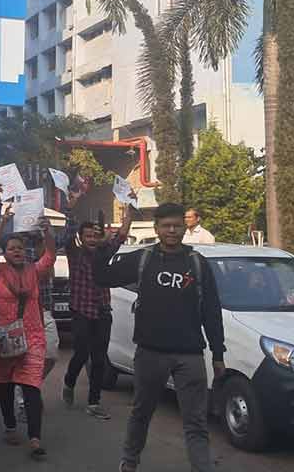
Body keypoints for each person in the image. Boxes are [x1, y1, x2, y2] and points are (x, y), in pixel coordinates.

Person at [94, 202, 226, 472]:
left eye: (177, 225)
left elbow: (212, 311)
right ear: (157, 229)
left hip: (189, 355)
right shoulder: (144, 259)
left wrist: (218, 354)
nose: (172, 230)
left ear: (184, 228)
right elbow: (102, 277)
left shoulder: (197, 264)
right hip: (150, 353)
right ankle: (129, 462)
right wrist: (105, 246)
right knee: (141, 413)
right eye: (166, 226)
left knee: (196, 421)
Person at [0, 217, 56, 460]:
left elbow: (50, 256)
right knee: (6, 383)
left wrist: (47, 233)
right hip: (5, 337)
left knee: (31, 386)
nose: (17, 251)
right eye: (12, 248)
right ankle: (10, 426)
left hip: (33, 337)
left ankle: (35, 438)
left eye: (20, 248)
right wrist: (3, 223)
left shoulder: (34, 271)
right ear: (5, 253)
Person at [62, 193, 133, 420]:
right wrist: (70, 208)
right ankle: (69, 382)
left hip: (102, 311)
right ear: (81, 238)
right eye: (87, 235)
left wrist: (128, 208)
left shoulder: (104, 253)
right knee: (81, 353)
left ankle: (94, 402)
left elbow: (121, 235)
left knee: (99, 358)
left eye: (95, 235)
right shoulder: (75, 254)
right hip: (81, 310)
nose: (92, 238)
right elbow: (66, 234)